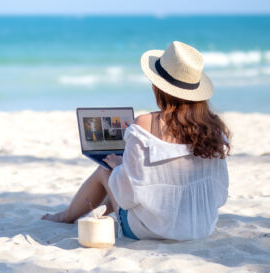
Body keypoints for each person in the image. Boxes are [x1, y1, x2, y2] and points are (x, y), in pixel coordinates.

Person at [42, 41, 230, 241]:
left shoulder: (144, 124)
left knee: (105, 170)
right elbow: (220, 194)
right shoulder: (213, 127)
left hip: (150, 230)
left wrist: (118, 168)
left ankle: (65, 217)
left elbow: (126, 198)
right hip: (201, 226)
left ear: (159, 87)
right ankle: (87, 213)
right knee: (121, 173)